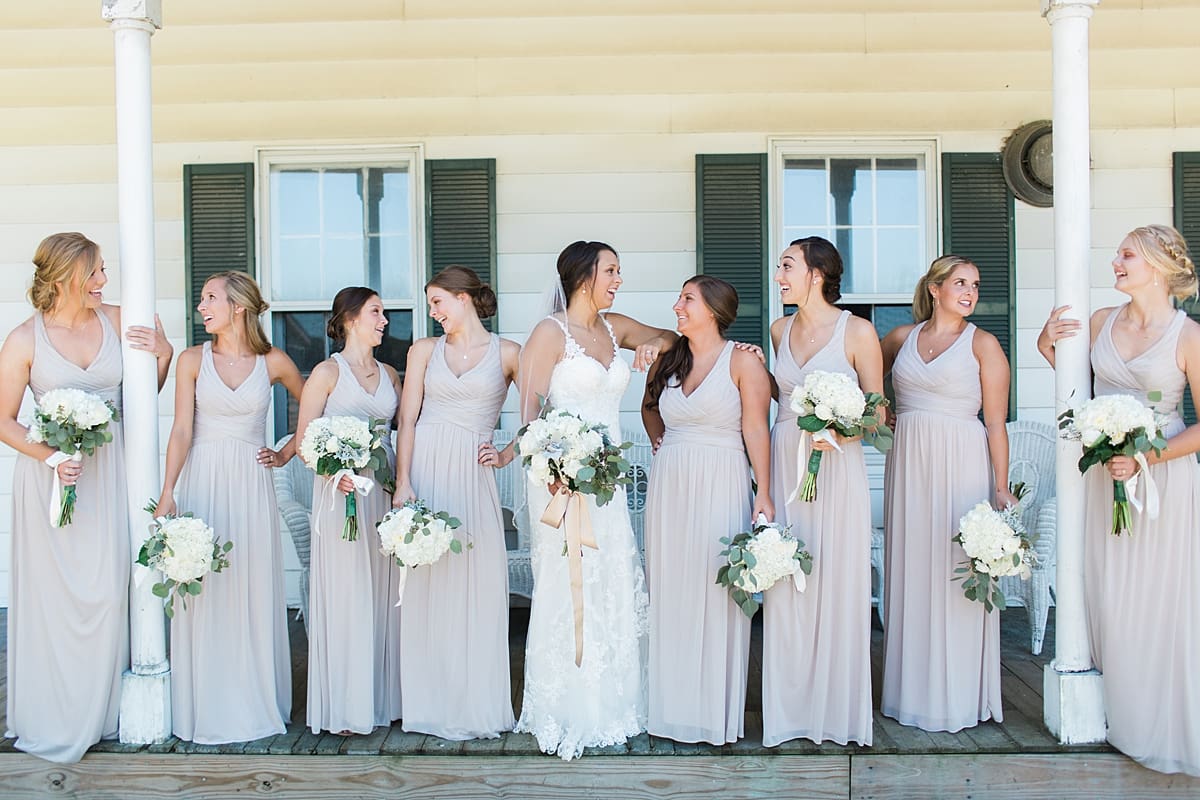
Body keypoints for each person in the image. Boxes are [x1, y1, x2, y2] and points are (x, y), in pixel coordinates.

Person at [0, 232, 171, 762]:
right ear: (70, 275)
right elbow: (4, 419)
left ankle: (102, 712)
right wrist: (52, 458)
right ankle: (54, 711)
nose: (104, 281)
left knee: (106, 587)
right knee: (56, 597)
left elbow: (146, 392)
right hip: (52, 479)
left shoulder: (120, 320)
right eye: (96, 272)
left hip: (111, 471)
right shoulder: (25, 339)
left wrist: (163, 354)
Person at [1038, 224, 1200, 776]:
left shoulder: (1187, 335)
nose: (1116, 262)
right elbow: (1073, 386)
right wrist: (1046, 344)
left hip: (1162, 483)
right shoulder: (1102, 322)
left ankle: (1159, 718)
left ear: (1155, 265)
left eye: (1126, 254)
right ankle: (1120, 713)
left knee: (1158, 601)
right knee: (1108, 596)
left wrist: (1146, 460)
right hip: (1102, 478)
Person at [514, 240, 675, 760]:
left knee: (613, 580)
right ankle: (568, 707)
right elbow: (530, 412)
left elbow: (670, 337)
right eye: (612, 271)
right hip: (563, 481)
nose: (619, 280)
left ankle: (617, 702)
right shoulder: (549, 332)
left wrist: (651, 348)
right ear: (584, 276)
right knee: (568, 586)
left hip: (607, 482)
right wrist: (555, 469)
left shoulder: (614, 326)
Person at [153, 271, 303, 744]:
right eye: (201, 299)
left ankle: (254, 698)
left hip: (252, 482)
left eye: (210, 298)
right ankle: (207, 702)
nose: (201, 307)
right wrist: (167, 491)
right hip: (205, 479)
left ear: (239, 305)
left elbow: (314, 408)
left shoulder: (273, 361)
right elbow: (181, 430)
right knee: (208, 585)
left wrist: (286, 451)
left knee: (250, 583)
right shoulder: (192, 360)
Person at [879, 254, 1016, 732]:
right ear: (934, 289)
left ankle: (957, 694)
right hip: (909, 463)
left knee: (955, 570)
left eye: (976, 285)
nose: (971, 291)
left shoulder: (984, 345)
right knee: (915, 567)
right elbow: (859, 370)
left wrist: (1000, 486)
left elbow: (996, 424)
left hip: (961, 462)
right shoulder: (901, 338)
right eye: (960, 282)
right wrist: (880, 412)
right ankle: (910, 692)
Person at [641, 276, 772, 745]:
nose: (677, 305)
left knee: (715, 590)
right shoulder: (671, 358)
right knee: (672, 587)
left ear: (713, 309)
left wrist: (765, 491)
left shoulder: (743, 362)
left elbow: (757, 429)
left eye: (687, 299)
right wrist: (662, 440)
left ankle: (711, 712)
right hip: (671, 481)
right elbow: (650, 407)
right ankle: (671, 709)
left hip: (722, 478)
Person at [762, 237, 881, 747]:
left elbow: (877, 413)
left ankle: (836, 712)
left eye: (787, 266)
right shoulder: (778, 329)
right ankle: (790, 711)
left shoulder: (858, 331)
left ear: (816, 274)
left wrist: (839, 427)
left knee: (834, 576)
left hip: (836, 465)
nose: (779, 276)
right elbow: (778, 394)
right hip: (786, 457)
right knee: (785, 575)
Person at [393, 266, 520, 740]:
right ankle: (429, 705)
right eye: (430, 304)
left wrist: (507, 453)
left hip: (473, 473)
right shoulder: (424, 350)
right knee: (429, 584)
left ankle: (475, 706)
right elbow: (406, 420)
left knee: (477, 583)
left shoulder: (509, 353)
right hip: (426, 467)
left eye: (438, 302)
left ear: (464, 298)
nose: (432, 312)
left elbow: (543, 408)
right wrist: (404, 482)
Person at [296, 287, 402, 735]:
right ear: (351, 319)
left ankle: (381, 700)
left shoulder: (392, 373)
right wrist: (332, 471)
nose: (384, 321)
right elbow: (305, 440)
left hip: (384, 490)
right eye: (377, 312)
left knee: (384, 594)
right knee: (348, 595)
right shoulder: (326, 373)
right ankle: (345, 706)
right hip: (342, 496)